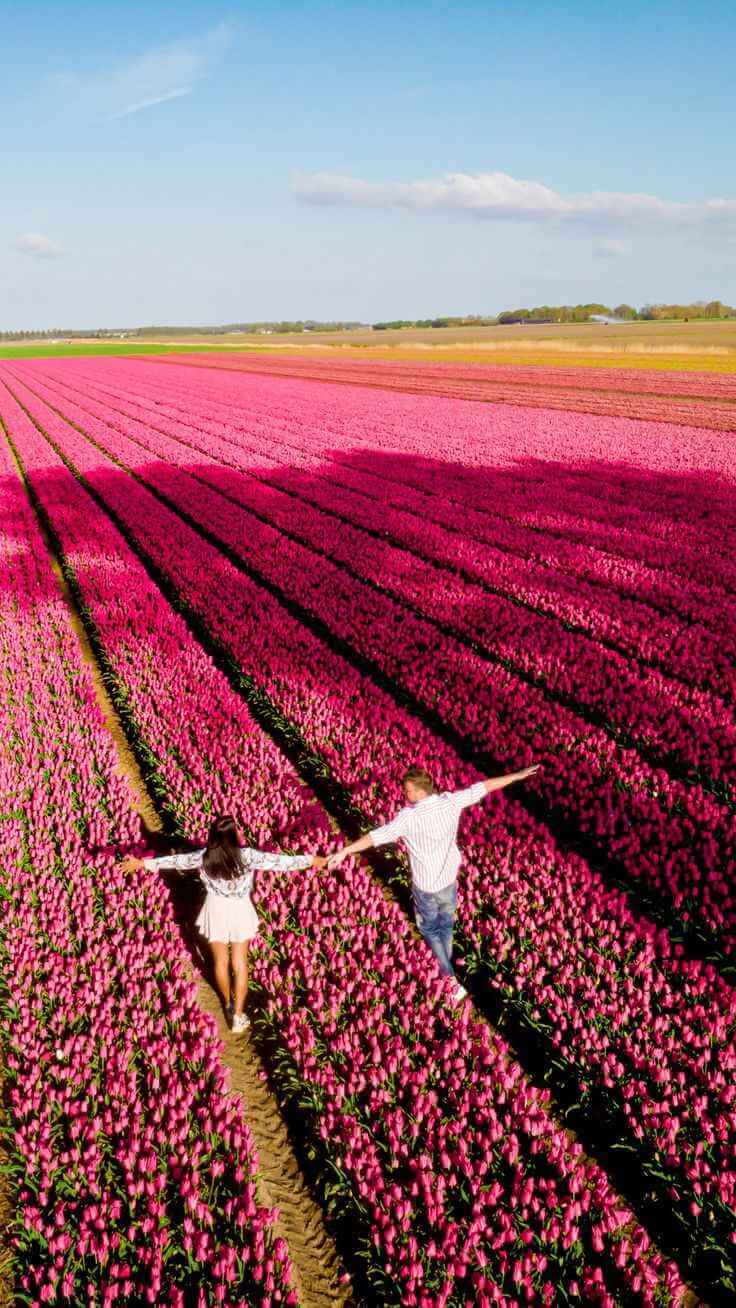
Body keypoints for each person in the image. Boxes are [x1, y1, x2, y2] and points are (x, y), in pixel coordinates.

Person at [327, 764, 539, 1002]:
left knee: (429, 930)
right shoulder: (450, 801)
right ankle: (446, 965)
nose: (404, 795)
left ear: (419, 791)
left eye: (407, 791)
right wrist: (517, 775)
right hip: (448, 879)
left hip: (426, 885)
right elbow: (485, 786)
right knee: (444, 925)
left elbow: (376, 836)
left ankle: (450, 980)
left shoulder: (408, 817)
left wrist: (346, 851)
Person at [122, 814, 326, 1033]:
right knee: (239, 963)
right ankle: (237, 1016)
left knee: (220, 962)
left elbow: (174, 861)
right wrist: (311, 860)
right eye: (237, 829)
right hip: (239, 909)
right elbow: (280, 862)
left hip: (215, 910)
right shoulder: (247, 856)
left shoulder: (204, 857)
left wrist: (142, 863)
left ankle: (228, 1002)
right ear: (233, 835)